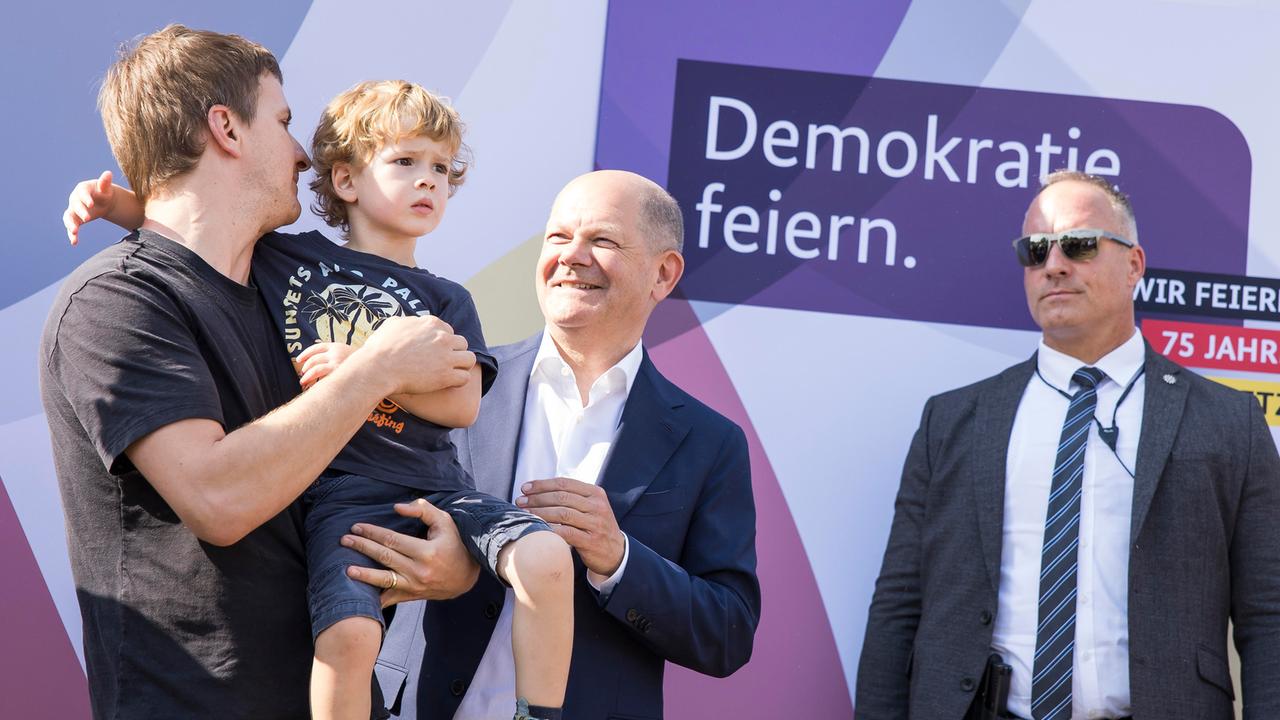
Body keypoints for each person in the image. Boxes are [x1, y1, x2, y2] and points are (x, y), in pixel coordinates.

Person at [64, 79, 575, 720]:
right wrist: (116, 204)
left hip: (436, 487)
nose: (428, 180)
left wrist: (368, 368)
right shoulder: (286, 258)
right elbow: (191, 225)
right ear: (346, 180)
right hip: (341, 499)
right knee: (350, 637)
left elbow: (463, 404)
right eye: (405, 161)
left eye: (442, 168)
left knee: (548, 557)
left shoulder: (449, 299)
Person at [855, 171, 1280, 720]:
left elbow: (1269, 614)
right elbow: (898, 606)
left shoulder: (1227, 421)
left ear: (1134, 265)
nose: (1053, 264)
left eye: (1079, 244)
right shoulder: (954, 421)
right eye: (1035, 250)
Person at [354, 170, 762, 719]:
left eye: (602, 240)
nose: (572, 256)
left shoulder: (710, 443)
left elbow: (728, 633)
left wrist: (618, 558)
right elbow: (355, 531)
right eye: (558, 237)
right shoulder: (453, 386)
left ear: (663, 274)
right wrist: (442, 565)